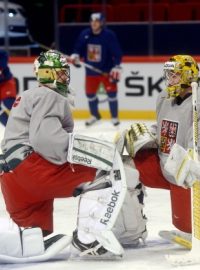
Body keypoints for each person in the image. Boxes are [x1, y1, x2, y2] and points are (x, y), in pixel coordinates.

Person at [0, 50, 147, 263]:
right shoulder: (49, 94)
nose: (64, 76)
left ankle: (20, 241)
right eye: (60, 72)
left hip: (11, 180)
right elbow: (47, 141)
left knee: (34, 239)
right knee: (106, 171)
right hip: (32, 171)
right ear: (47, 74)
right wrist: (95, 148)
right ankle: (89, 239)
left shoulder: (28, 95)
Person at [116, 55, 200, 238]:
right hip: (164, 165)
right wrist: (148, 136)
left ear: (188, 76)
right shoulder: (164, 97)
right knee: (122, 170)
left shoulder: (197, 104)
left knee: (186, 227)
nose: (170, 79)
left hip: (187, 175)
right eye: (168, 75)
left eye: (175, 75)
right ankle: (131, 230)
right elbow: (164, 128)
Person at [69, 12, 122, 127]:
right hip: (90, 71)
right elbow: (78, 48)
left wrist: (117, 66)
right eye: (92, 21)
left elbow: (117, 52)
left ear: (102, 23)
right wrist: (75, 56)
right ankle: (95, 115)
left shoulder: (109, 35)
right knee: (90, 94)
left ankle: (114, 117)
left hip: (106, 71)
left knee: (112, 94)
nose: (94, 23)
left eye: (97, 21)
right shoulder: (85, 34)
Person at [0, 50, 17, 126]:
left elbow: (4, 55)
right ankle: (10, 130)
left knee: (9, 104)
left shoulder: (2, 54)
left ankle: (24, 127)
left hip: (6, 82)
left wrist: (1, 66)